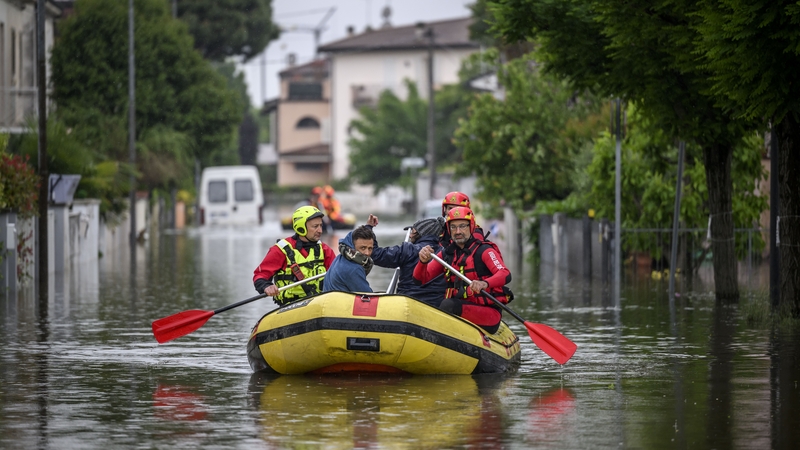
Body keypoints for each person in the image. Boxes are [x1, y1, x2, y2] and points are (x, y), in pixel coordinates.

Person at [414, 206, 512, 334]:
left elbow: (505, 274)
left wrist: (485, 283)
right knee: (441, 304)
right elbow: (419, 279)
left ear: (471, 227)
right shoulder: (447, 254)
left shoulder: (484, 251)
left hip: (488, 314)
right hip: (463, 308)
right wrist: (422, 262)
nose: (458, 231)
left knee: (448, 305)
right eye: (453, 227)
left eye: (462, 226)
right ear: (449, 229)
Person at [253, 205, 335, 305]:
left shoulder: (325, 250)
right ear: (301, 228)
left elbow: (338, 275)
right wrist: (266, 286)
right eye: (315, 226)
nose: (320, 230)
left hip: (318, 303)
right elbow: (260, 275)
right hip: (290, 307)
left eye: (321, 226)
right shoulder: (280, 250)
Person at [371, 215, 447, 307]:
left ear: (422, 233)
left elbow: (375, 254)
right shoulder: (446, 252)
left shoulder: (407, 250)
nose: (410, 235)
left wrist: (368, 228)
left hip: (407, 302)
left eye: (413, 232)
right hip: (436, 306)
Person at [323, 224, 376, 293]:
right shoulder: (354, 268)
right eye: (363, 248)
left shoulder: (340, 258)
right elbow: (369, 297)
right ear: (352, 247)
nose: (367, 253)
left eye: (370, 248)